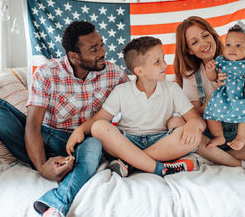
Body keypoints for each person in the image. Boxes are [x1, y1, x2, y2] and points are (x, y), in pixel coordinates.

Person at [0, 21, 129, 217]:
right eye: (94, 49)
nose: (102, 51)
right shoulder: (47, 73)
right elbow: (33, 126)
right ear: (74, 56)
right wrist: (41, 167)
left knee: (95, 145)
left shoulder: (115, 74)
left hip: (86, 141)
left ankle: (54, 207)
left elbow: (134, 109)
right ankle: (56, 164)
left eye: (101, 44)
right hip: (50, 136)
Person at [66, 36, 204, 178]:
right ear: (139, 71)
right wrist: (80, 130)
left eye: (163, 58)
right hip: (127, 142)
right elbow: (98, 119)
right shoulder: (122, 91)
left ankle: (130, 163)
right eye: (157, 62)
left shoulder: (172, 89)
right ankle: (158, 167)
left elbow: (195, 119)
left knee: (195, 136)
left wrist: (194, 125)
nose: (164, 65)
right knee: (98, 127)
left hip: (162, 142)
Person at [173, 16, 245, 167]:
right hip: (212, 137)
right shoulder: (191, 76)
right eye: (195, 42)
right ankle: (238, 162)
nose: (203, 44)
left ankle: (218, 159)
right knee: (176, 123)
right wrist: (217, 96)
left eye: (205, 35)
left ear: (213, 35)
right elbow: (194, 118)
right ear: (189, 50)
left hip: (243, 137)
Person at [203, 22, 245, 151]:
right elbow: (213, 78)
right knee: (210, 113)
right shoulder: (221, 60)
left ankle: (241, 137)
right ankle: (219, 136)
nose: (231, 49)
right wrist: (210, 70)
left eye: (238, 45)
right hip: (224, 97)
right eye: (228, 45)